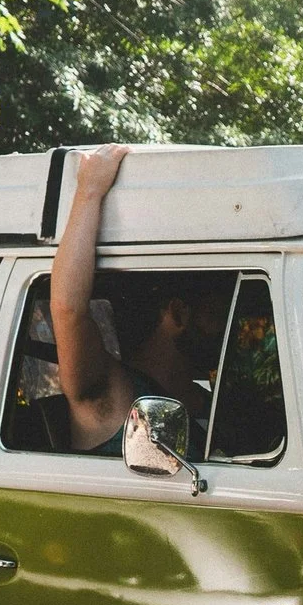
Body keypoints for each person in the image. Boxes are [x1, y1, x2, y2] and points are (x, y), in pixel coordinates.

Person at [50, 145, 234, 454]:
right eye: (217, 315)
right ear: (177, 314)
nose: (228, 329)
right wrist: (89, 192)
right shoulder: (112, 391)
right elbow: (69, 310)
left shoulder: (200, 399)